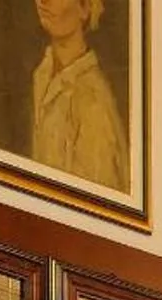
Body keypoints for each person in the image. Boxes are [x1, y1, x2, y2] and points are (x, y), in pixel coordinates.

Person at [31, 0, 129, 193]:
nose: (43, 1)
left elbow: (94, 197)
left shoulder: (92, 100)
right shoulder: (42, 74)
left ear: (85, 9)